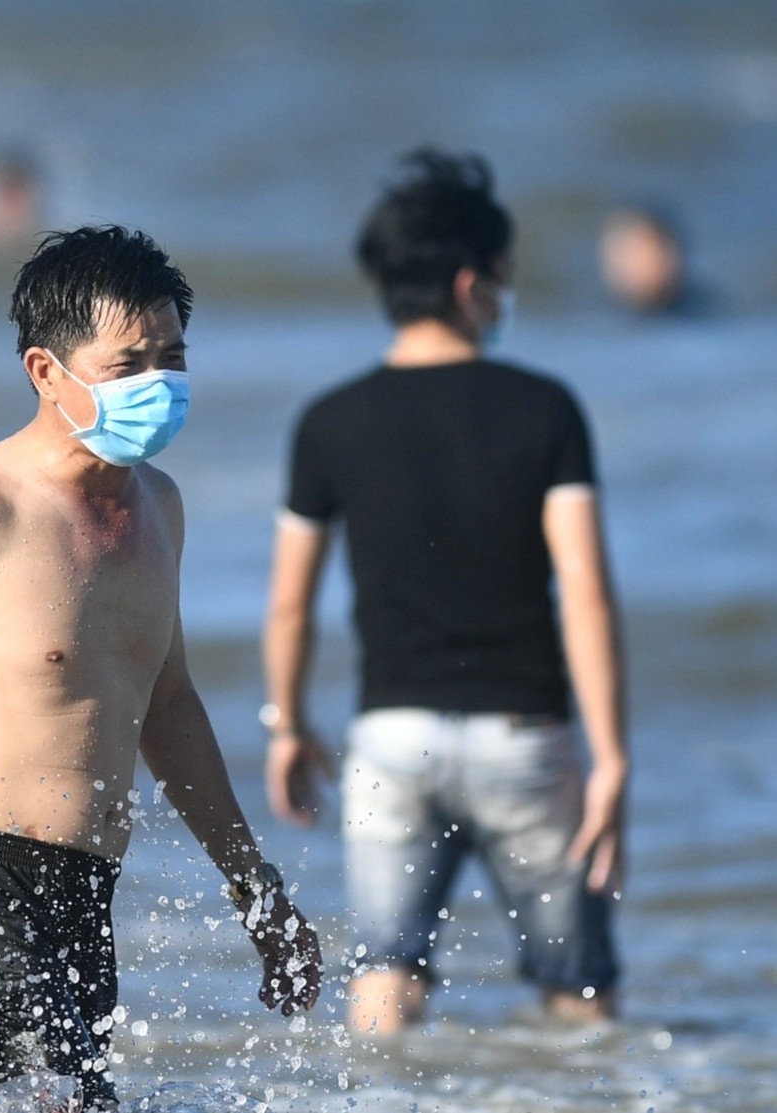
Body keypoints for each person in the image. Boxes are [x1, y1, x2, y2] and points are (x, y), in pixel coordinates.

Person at [0, 225, 322, 1107]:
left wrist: (258, 892)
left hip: (85, 896)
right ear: (45, 371)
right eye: (127, 363)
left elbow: (170, 710)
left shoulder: (159, 510)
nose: (159, 384)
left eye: (173, 357)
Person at [262, 148, 628, 1036]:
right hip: (524, 740)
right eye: (504, 277)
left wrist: (287, 722)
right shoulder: (545, 408)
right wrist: (611, 754)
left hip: (392, 740)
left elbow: (289, 603)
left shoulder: (330, 421)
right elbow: (584, 587)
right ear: (472, 283)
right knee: (578, 989)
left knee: (385, 976)